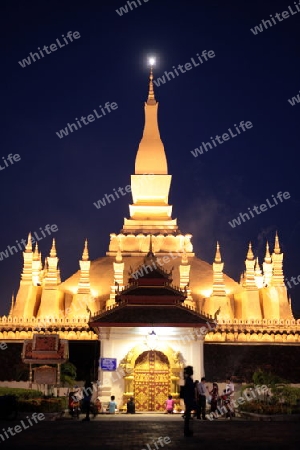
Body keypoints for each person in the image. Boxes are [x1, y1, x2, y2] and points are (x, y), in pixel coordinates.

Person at [183, 366, 195, 437]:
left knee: (188, 415)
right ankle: (187, 430)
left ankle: (187, 430)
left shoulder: (187, 379)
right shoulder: (188, 379)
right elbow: (190, 389)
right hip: (189, 399)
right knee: (188, 415)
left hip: (187, 399)